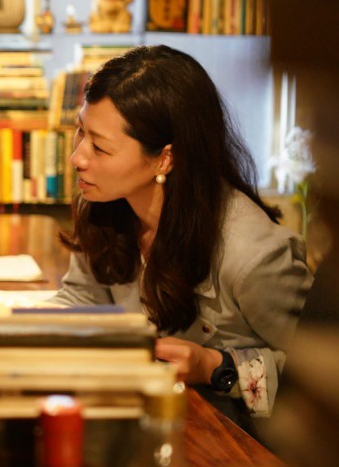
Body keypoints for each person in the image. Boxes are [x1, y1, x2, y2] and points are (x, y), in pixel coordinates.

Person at [50, 46, 311, 426]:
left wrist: (213, 366)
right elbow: (82, 297)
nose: (77, 157)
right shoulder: (109, 203)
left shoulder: (253, 256)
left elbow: (321, 378)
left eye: (100, 146)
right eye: (80, 131)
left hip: (237, 450)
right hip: (146, 426)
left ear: (165, 159)